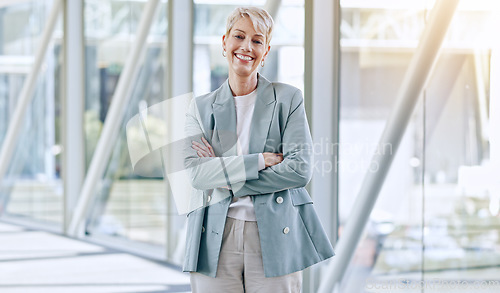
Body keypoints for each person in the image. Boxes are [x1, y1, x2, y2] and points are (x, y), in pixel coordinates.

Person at [182, 7, 334, 292]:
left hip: (275, 234)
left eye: (257, 40)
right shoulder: (200, 108)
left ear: (265, 52)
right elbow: (197, 176)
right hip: (214, 233)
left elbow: (299, 171)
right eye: (239, 36)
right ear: (225, 41)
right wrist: (260, 161)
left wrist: (226, 177)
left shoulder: (288, 99)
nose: (246, 46)